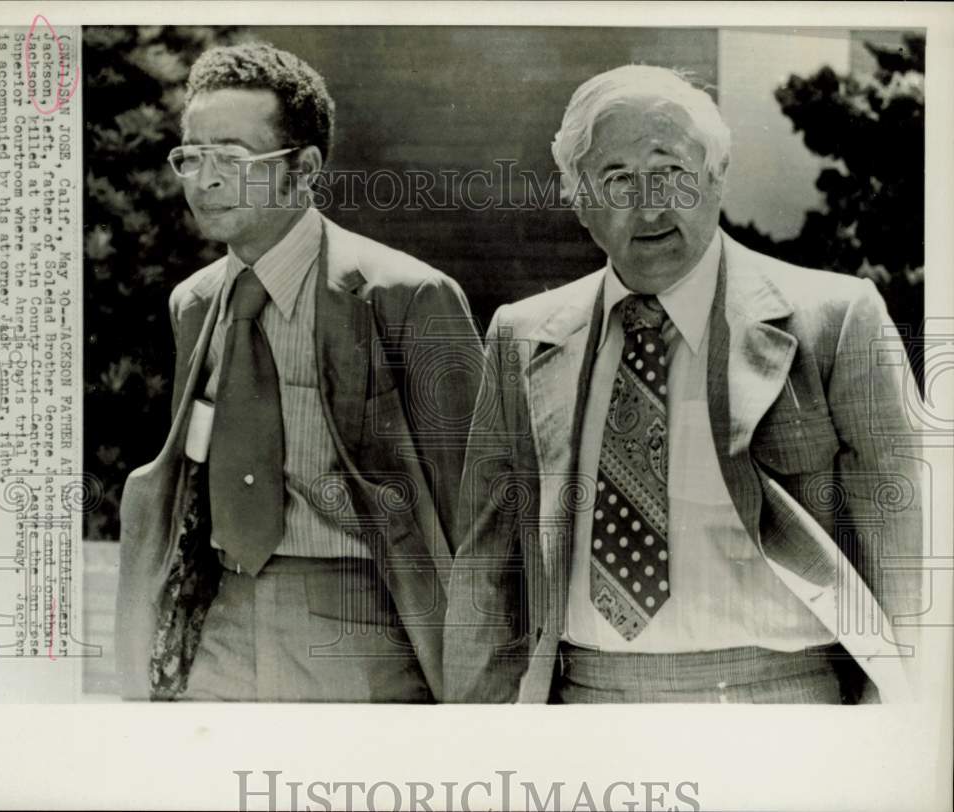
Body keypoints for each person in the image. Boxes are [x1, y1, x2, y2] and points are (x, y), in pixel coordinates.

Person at [444, 65, 922, 704]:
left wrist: (902, 712)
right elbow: (487, 567)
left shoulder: (835, 319)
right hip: (590, 702)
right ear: (579, 200)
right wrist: (475, 735)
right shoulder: (523, 334)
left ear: (717, 175)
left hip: (783, 700)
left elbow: (910, 539)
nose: (649, 206)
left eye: (670, 172)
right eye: (616, 179)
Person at [115, 42, 481, 701]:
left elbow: (478, 511)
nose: (204, 178)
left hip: (360, 624)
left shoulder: (407, 298)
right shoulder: (195, 303)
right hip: (220, 619)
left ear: (303, 168)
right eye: (190, 156)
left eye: (230, 156)